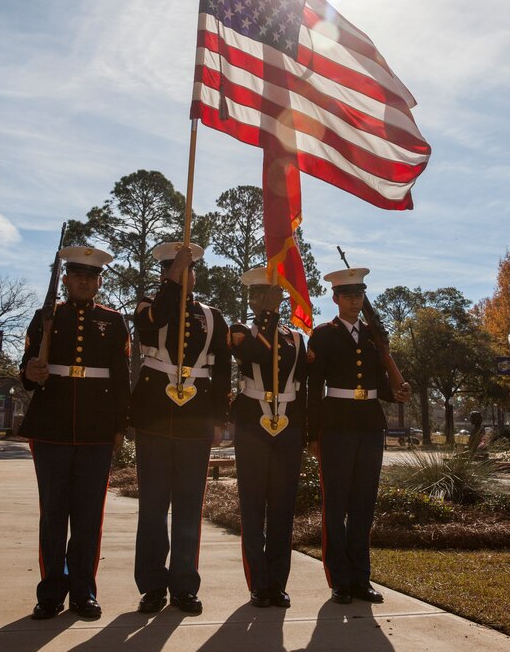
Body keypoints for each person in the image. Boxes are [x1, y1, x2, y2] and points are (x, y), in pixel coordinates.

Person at [19, 246, 131, 621]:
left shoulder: (114, 322)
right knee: (53, 513)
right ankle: (51, 591)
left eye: (91, 276)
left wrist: (119, 426)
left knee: (87, 515)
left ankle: (83, 591)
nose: (84, 281)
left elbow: (121, 378)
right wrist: (30, 373)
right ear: (65, 279)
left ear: (99, 282)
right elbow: (28, 370)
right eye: (77, 275)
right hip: (51, 425)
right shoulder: (45, 317)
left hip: (97, 428)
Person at [131, 242, 231, 616]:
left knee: (190, 507)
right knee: (154, 507)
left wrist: (220, 417)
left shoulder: (212, 315)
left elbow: (222, 369)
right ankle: (153, 585)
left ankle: (185, 585)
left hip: (196, 418)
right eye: (175, 269)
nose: (184, 274)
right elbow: (154, 321)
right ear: (164, 274)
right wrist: (173, 282)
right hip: (154, 414)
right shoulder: (147, 306)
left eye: (189, 269)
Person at [306, 267, 411, 605]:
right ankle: (340, 579)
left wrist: (396, 391)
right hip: (335, 425)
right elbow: (313, 388)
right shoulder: (322, 336)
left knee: (364, 504)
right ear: (335, 298)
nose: (355, 301)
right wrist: (312, 433)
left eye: (360, 295)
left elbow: (379, 383)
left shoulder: (373, 336)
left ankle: (361, 578)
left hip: (368, 424)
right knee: (335, 505)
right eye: (349, 295)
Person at [230, 267, 307, 608]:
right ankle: (258, 582)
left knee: (282, 506)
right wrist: (269, 318)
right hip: (252, 423)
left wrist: (305, 429)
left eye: (272, 294)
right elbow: (257, 354)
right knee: (253, 504)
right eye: (261, 295)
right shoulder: (241, 331)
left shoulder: (296, 337)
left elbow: (303, 384)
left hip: (288, 425)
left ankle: (278, 581)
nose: (268, 300)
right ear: (252, 298)